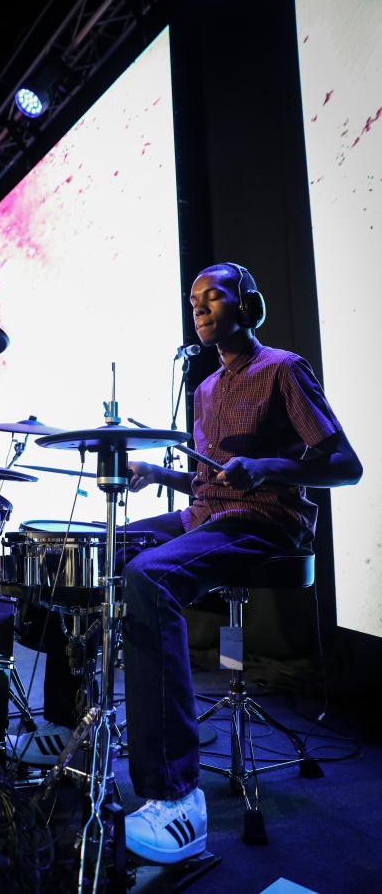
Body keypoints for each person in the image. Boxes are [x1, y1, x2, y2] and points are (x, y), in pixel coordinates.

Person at [117, 262, 362, 864]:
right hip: (207, 516)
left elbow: (345, 466)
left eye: (212, 296)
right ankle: (70, 734)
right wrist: (159, 474)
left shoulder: (282, 368)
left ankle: (175, 794)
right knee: (99, 547)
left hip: (265, 521)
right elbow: (210, 482)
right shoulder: (205, 389)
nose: (198, 307)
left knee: (149, 577)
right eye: (192, 300)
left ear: (246, 304)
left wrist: (270, 467)